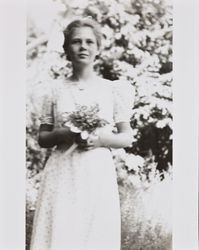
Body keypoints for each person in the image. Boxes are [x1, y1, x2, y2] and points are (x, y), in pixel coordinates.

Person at [30, 18, 134, 250]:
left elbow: (127, 137)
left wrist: (100, 140)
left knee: (95, 234)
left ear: (98, 47)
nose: (83, 47)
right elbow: (42, 138)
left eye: (89, 41)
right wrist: (63, 134)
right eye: (76, 42)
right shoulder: (53, 90)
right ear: (67, 48)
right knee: (61, 231)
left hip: (97, 173)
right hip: (62, 171)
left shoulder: (112, 90)